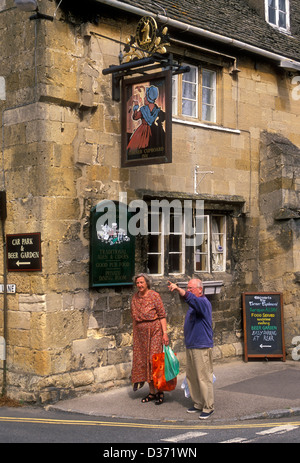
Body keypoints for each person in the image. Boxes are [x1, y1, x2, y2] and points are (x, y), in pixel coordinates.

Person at [168, 279, 214, 419]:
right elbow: (191, 299)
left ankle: (208, 406)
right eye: (187, 288)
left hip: (202, 346)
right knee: (192, 377)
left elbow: (191, 299)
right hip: (192, 345)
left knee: (203, 377)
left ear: (200, 289)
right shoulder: (194, 304)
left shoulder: (203, 302)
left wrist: (178, 290)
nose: (189, 290)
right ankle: (198, 403)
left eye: (191, 288)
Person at [131, 273, 169, 405]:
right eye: (138, 283)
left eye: (142, 282)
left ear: (147, 283)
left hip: (155, 331)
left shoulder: (154, 296)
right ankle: (152, 392)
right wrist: (135, 336)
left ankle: (160, 391)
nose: (139, 285)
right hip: (141, 335)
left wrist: (165, 333)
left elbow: (162, 315)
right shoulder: (135, 298)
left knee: (154, 361)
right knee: (144, 362)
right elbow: (134, 319)